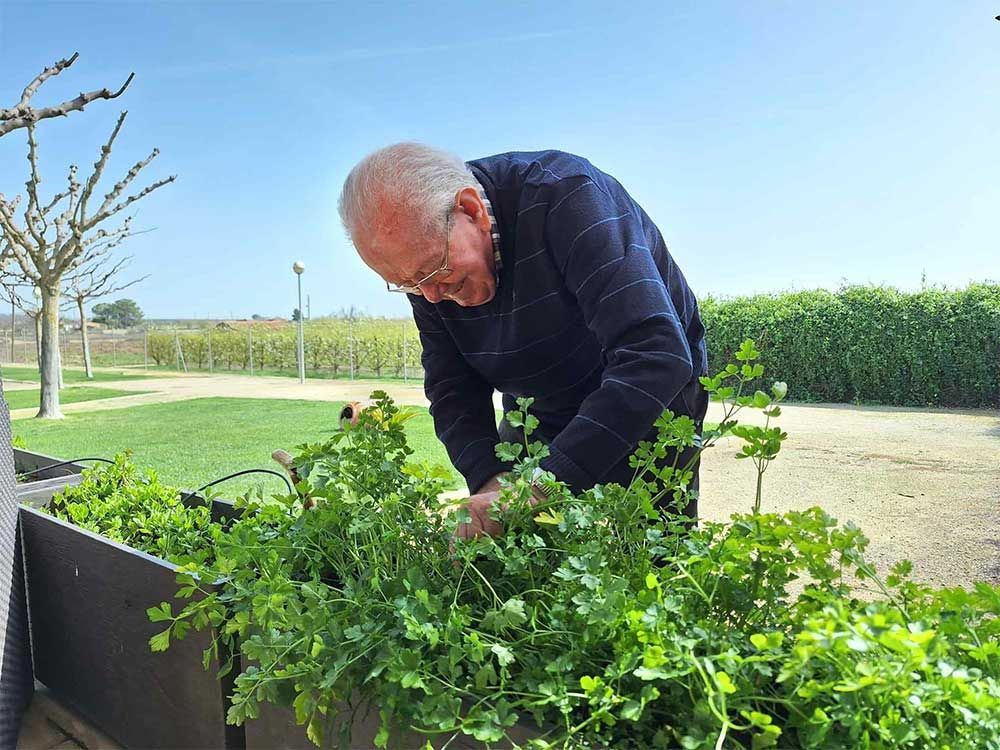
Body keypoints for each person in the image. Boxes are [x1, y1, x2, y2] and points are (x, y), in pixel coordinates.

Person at [338, 144, 708, 538]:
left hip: (648, 398)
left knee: (653, 550)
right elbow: (452, 388)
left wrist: (539, 487)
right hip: (537, 403)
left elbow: (655, 352)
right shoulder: (426, 270)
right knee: (526, 548)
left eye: (434, 271)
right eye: (407, 285)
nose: (429, 296)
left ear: (471, 210)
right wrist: (491, 480)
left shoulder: (566, 195)